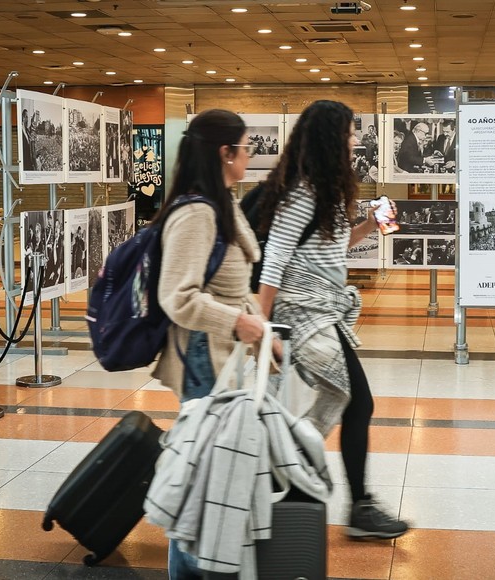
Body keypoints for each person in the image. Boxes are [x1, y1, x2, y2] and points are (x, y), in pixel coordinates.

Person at [256, 100, 409, 540]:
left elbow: (330, 249)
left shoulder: (325, 192)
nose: (355, 141)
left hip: (324, 311)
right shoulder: (301, 194)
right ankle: (326, 489)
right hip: (302, 314)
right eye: (349, 133)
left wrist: (369, 225)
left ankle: (293, 476)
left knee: (349, 399)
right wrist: (262, 329)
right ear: (329, 139)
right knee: (353, 398)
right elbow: (275, 260)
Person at [150, 109, 268, 580]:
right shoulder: (197, 213)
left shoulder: (221, 203)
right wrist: (239, 323)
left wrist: (262, 333)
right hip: (203, 357)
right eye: (246, 148)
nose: (249, 156)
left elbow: (233, 288)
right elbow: (177, 297)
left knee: (212, 476)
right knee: (201, 482)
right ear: (225, 152)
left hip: (222, 355)